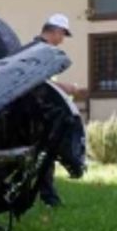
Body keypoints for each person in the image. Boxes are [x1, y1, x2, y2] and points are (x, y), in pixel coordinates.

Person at [32, 13, 76, 206]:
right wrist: (66, 88)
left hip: (40, 111)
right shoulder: (39, 51)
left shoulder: (39, 50)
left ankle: (48, 197)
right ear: (56, 31)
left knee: (44, 157)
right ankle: (50, 199)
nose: (62, 40)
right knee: (45, 156)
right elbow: (37, 83)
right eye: (63, 35)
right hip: (35, 113)